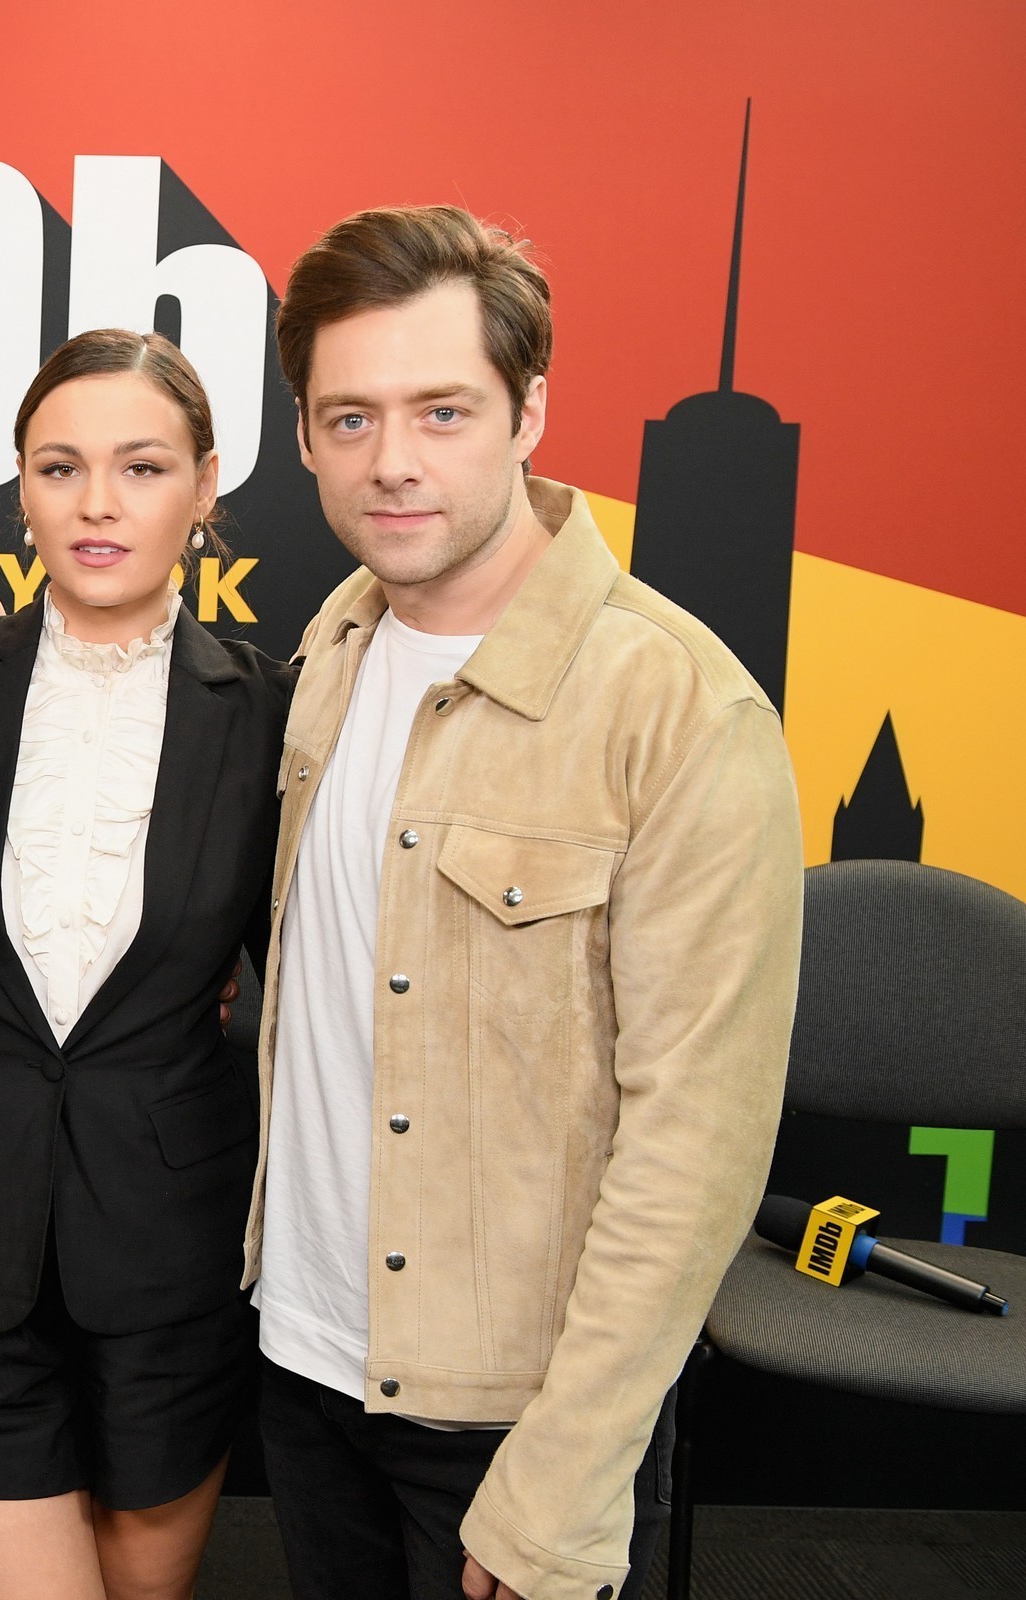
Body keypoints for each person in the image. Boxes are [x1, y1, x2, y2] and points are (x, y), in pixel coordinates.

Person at [246, 205, 803, 1600]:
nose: (394, 461)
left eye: (443, 411)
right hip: (304, 1361)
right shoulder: (332, 645)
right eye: (351, 418)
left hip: (512, 1419)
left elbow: (696, 1145)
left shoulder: (678, 706)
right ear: (304, 434)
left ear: (530, 412)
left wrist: (566, 1469)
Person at [0, 330, 292, 1600]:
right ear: (22, 488)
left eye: (141, 467)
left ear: (205, 487)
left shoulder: (276, 713)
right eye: (59, 466)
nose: (97, 503)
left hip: (173, 1259)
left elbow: (317, 986)